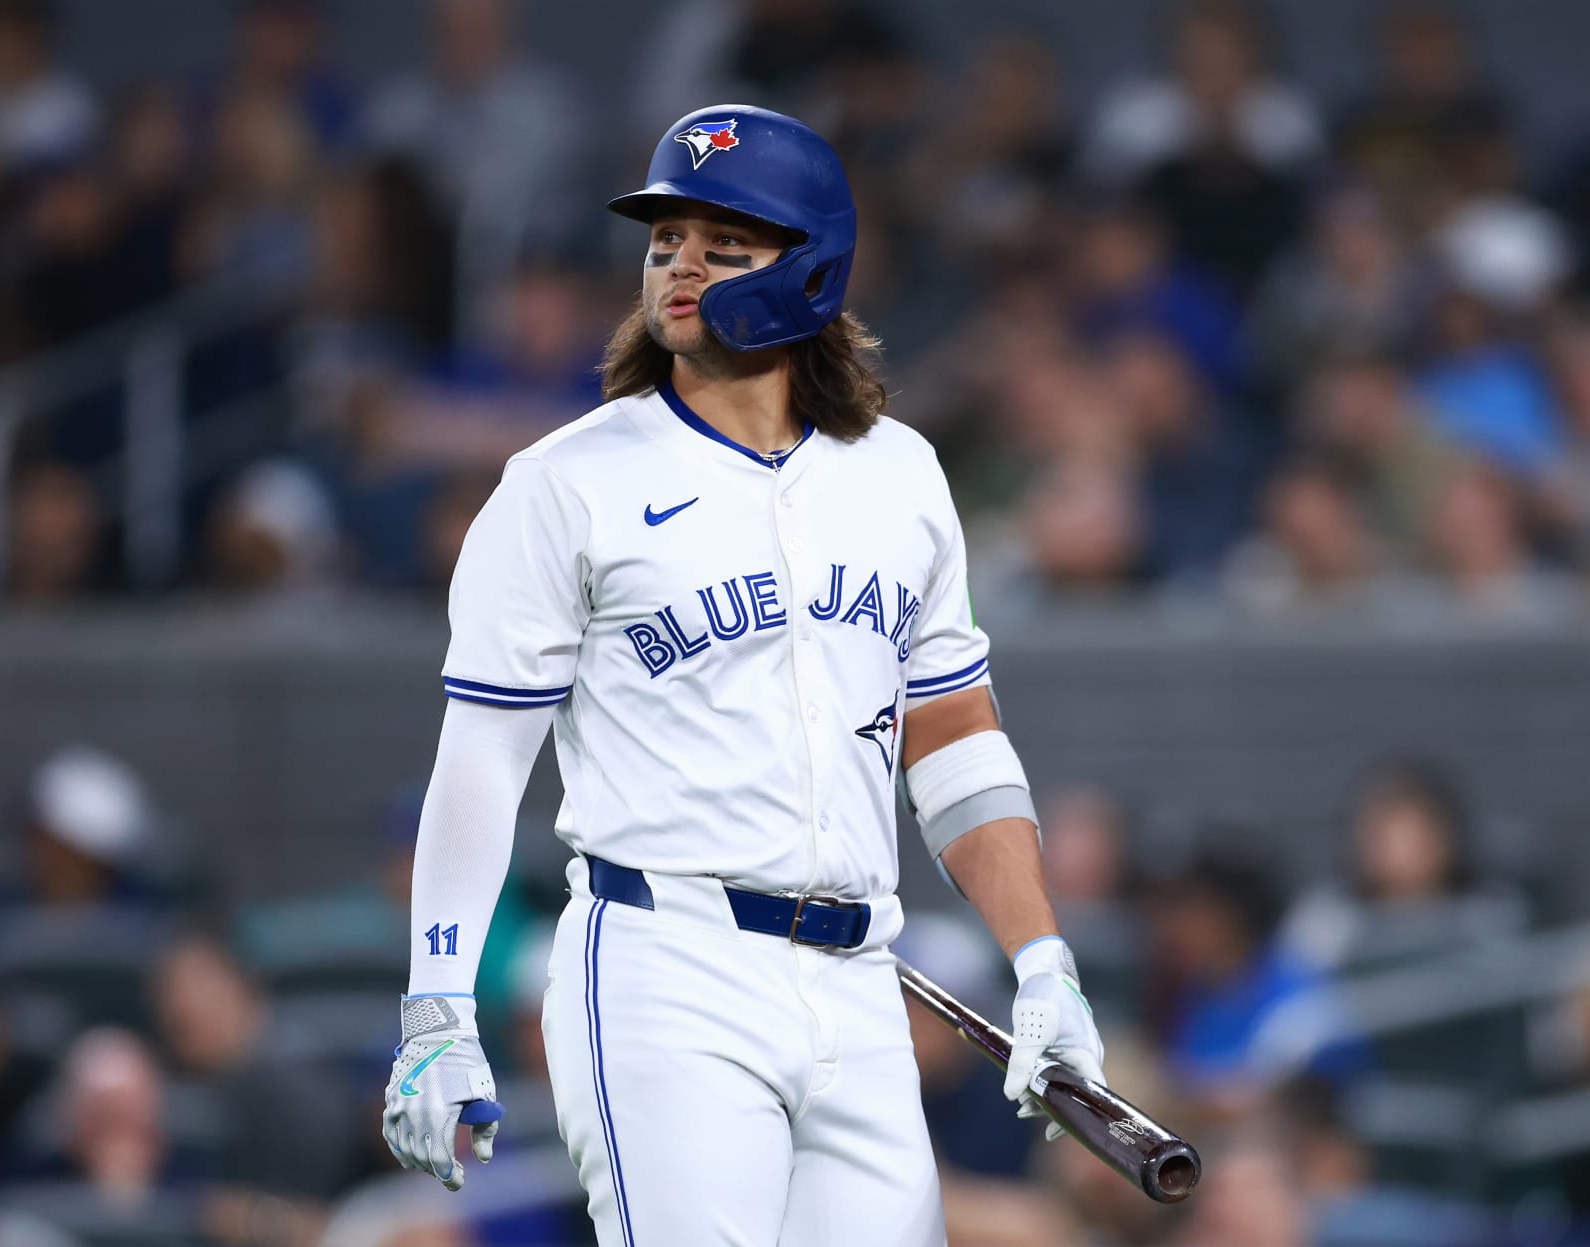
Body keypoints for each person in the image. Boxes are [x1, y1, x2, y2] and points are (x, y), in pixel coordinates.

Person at [380, 105, 1106, 1246]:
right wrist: (438, 1000)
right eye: (667, 239)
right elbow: (479, 761)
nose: (681, 265)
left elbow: (957, 738)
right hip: (667, 961)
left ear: (810, 263)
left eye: (727, 243)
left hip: (866, 973)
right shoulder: (563, 483)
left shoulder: (902, 475)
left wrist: (1043, 959)